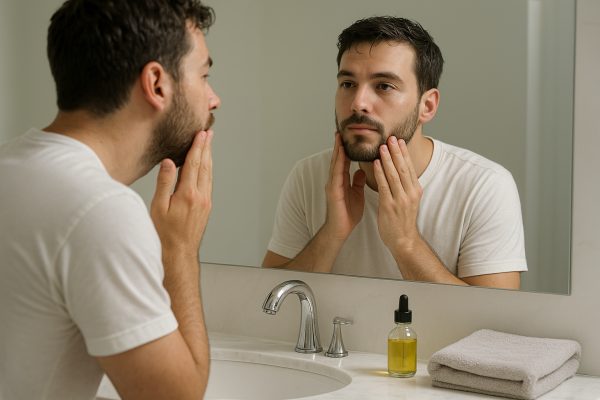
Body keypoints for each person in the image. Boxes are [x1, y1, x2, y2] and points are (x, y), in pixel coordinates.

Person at [0, 1, 220, 399]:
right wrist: (180, 249)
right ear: (156, 84)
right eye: (203, 75)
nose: (213, 98)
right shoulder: (100, 210)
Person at [263, 16, 527, 289]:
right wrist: (331, 233)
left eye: (384, 86)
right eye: (348, 84)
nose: (358, 103)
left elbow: (493, 325)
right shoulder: (308, 177)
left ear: (428, 106)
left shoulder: (484, 186)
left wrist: (407, 243)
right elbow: (265, 302)